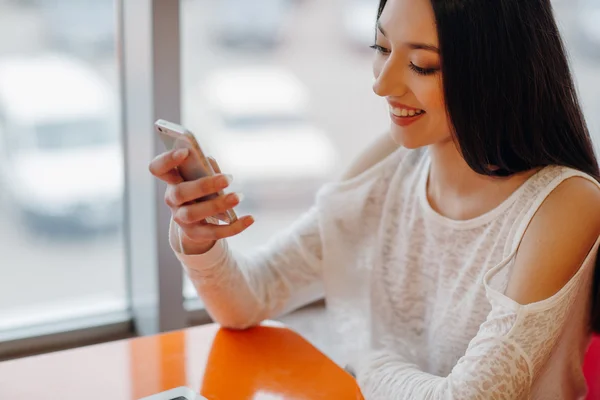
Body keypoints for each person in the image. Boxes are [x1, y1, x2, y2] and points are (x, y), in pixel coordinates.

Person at [149, 0, 600, 397]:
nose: (382, 85)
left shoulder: (566, 203)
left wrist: (361, 360)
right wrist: (201, 238)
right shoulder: (393, 160)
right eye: (382, 49)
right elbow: (250, 298)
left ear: (497, 71)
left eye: (422, 65)